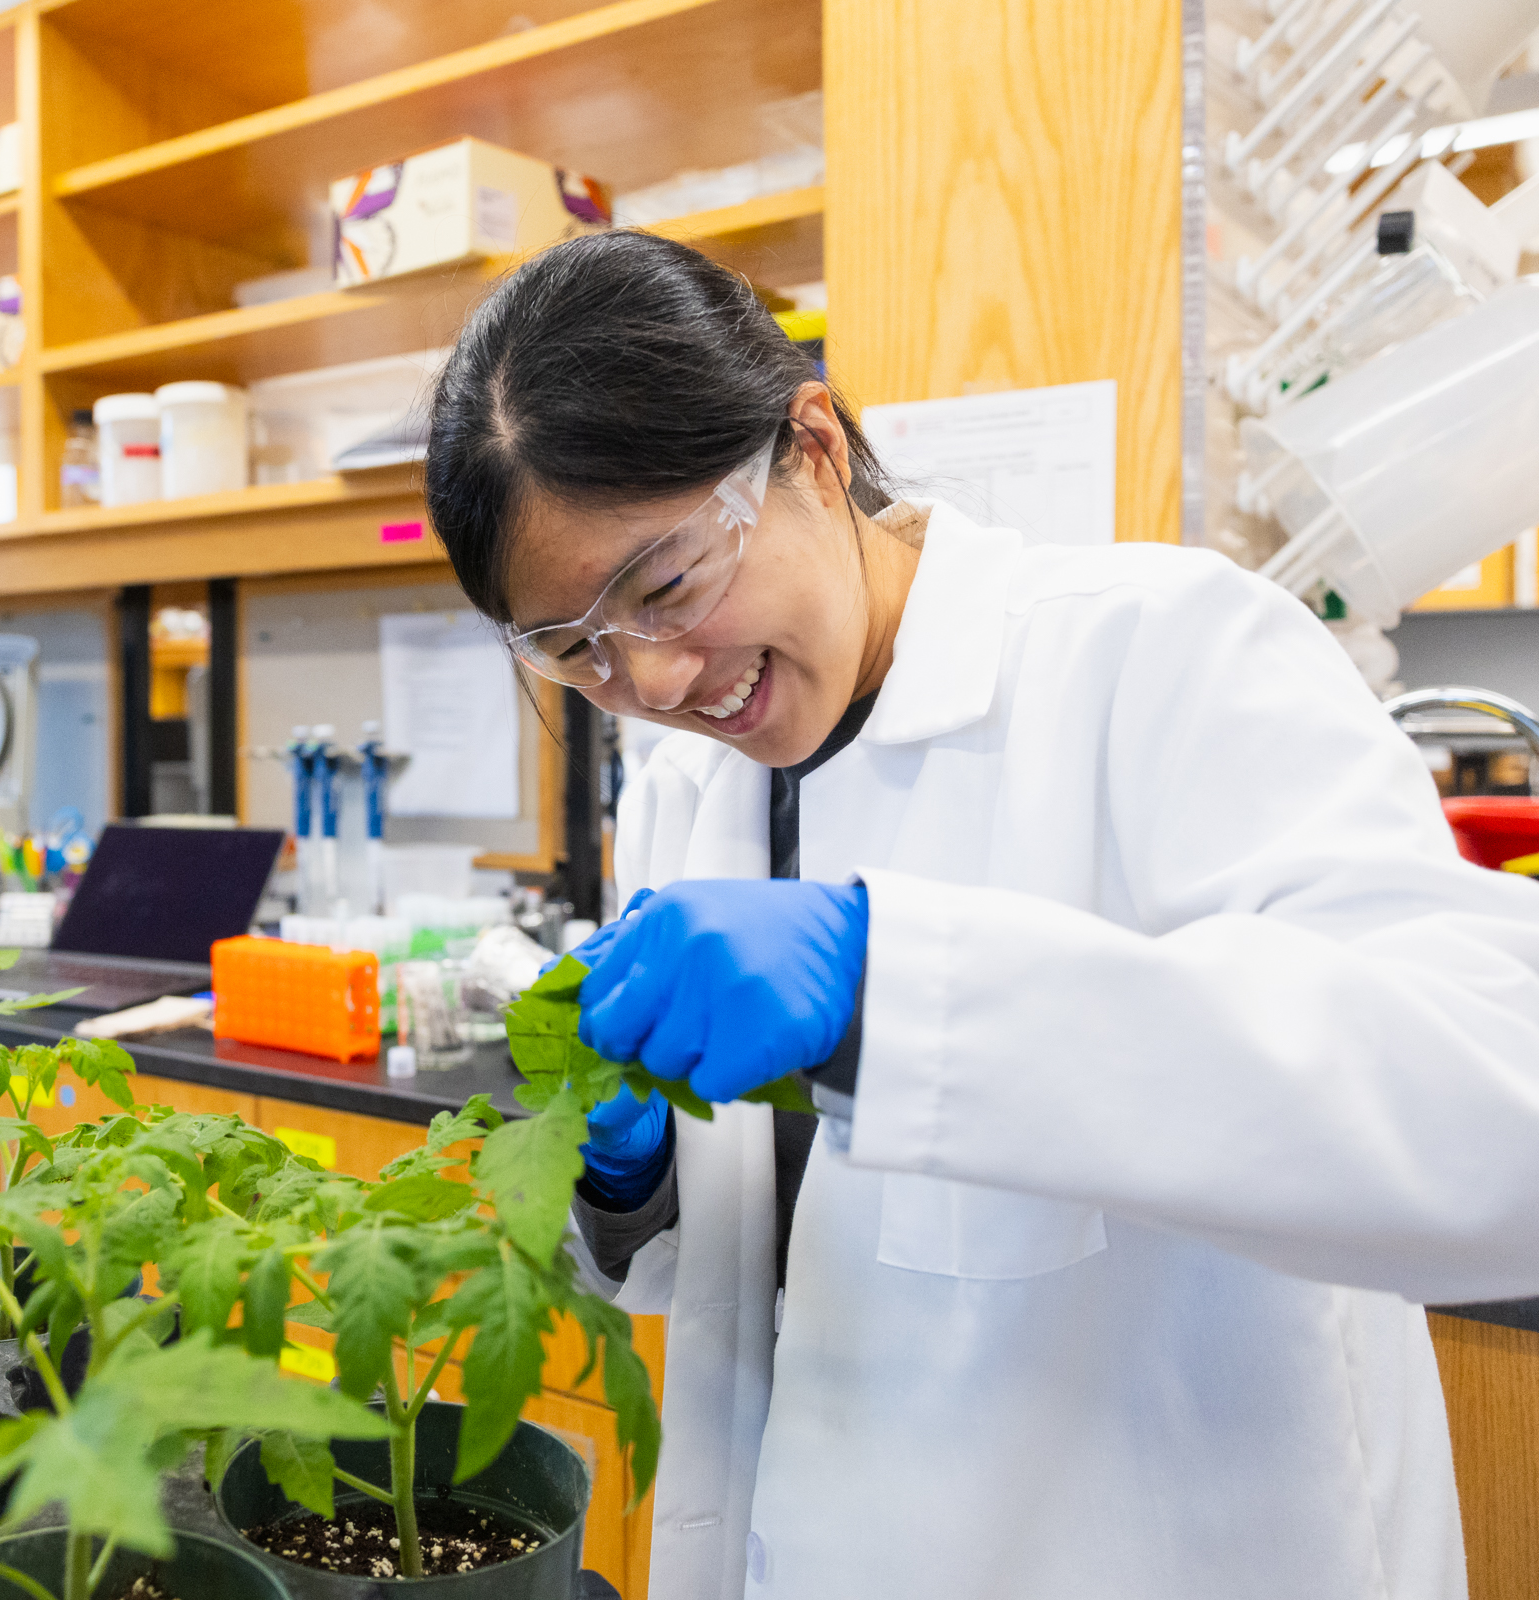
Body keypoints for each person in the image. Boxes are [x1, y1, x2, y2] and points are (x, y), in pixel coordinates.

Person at [422, 229, 1539, 1600]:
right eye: (574, 649)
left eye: (665, 586)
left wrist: (900, 997)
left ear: (814, 447)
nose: (651, 676)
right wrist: (629, 1189)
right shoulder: (677, 795)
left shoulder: (1163, 658)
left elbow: (1498, 1110)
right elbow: (750, 1286)